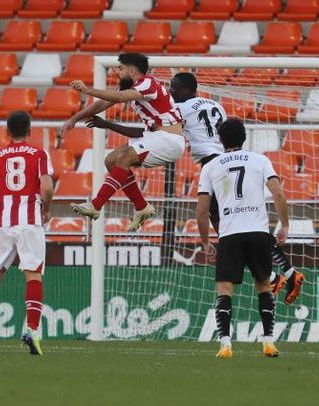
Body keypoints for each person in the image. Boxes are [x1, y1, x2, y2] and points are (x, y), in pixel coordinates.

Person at [87, 71, 305, 303]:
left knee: (231, 228)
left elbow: (145, 134)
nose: (171, 92)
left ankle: (276, 276)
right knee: (238, 224)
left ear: (188, 90)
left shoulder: (179, 110)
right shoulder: (216, 105)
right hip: (227, 161)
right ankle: (286, 273)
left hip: (214, 166)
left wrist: (107, 124)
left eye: (175, 88)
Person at [196, 119, 290, 358]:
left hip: (230, 234)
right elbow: (278, 193)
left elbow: (202, 210)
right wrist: (285, 224)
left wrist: (206, 242)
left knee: (225, 289)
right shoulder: (260, 159)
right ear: (243, 138)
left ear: (220, 140)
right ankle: (268, 342)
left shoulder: (211, 166)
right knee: (263, 286)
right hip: (258, 232)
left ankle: (225, 345)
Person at [61, 53, 185, 230]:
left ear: (132, 70)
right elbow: (104, 103)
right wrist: (75, 117)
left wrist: (88, 90)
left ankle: (95, 205)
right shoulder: (134, 86)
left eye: (121, 68)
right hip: (155, 136)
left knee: (124, 157)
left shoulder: (147, 82)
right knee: (110, 161)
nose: (117, 71)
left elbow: (119, 98)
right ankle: (141, 207)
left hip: (169, 140)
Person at [0, 111, 54, 356]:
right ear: (29, 131)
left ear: (7, 132)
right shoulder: (39, 154)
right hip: (29, 221)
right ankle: (32, 330)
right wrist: (46, 210)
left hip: (2, 222)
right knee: (33, 275)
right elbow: (47, 187)